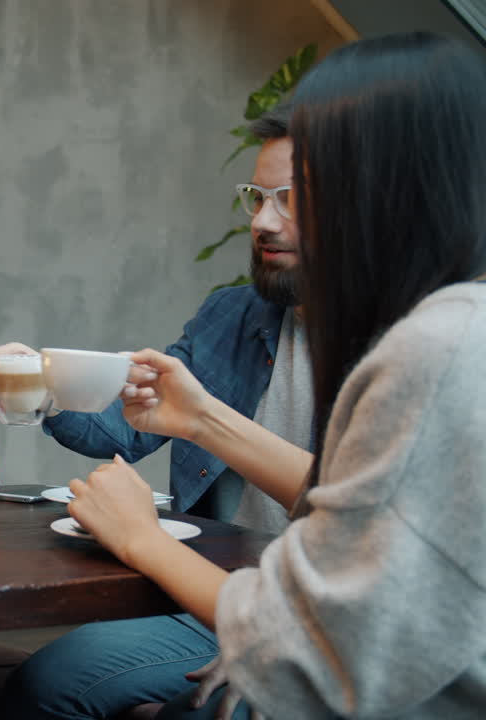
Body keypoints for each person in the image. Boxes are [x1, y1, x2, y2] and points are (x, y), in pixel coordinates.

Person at [68, 32, 486, 718]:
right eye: (259, 197)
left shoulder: (435, 352)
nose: (265, 221)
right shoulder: (454, 330)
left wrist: (141, 536)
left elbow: (309, 656)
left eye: (304, 188)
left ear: (391, 185)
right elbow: (365, 517)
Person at [0, 103, 311, 718]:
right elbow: (126, 428)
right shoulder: (232, 316)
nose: (262, 222)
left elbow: (359, 512)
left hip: (313, 620)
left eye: (290, 199)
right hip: (208, 596)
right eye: (256, 197)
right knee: (44, 683)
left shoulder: (403, 350)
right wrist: (41, 383)